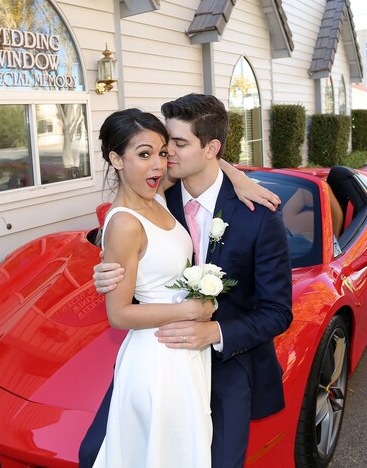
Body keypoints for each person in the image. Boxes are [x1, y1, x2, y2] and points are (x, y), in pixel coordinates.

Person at [82, 94, 293, 468]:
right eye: (164, 146)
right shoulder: (158, 193)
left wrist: (214, 333)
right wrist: (105, 267)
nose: (167, 157)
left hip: (228, 359)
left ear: (212, 148)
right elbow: (123, 228)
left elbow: (278, 312)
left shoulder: (259, 216)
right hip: (162, 353)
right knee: (98, 453)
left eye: (176, 145)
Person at [91, 108, 216, 468]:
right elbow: (118, 314)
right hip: (157, 360)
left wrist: (240, 179)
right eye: (144, 154)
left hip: (181, 349)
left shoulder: (155, 196)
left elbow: (203, 166)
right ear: (116, 159)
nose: (158, 165)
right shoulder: (125, 224)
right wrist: (190, 310)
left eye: (162, 153)